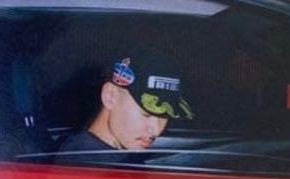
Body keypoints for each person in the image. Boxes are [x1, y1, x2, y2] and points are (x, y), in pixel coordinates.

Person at [59, 53, 194, 154]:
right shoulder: (83, 166)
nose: (156, 130)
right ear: (110, 96)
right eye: (146, 114)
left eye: (165, 116)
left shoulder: (115, 157)